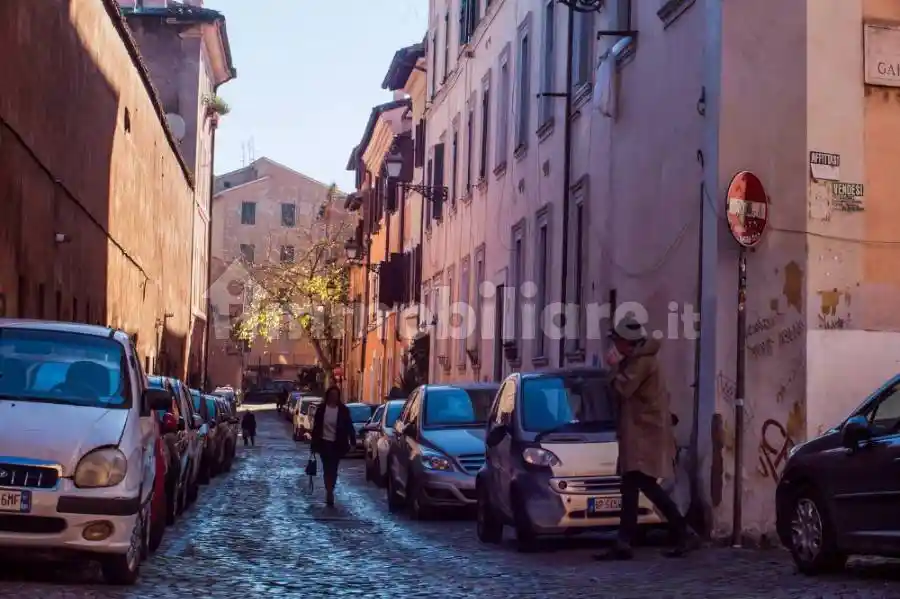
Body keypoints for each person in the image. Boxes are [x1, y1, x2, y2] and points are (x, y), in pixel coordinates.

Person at [594, 315, 700, 561]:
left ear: (626, 342)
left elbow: (623, 389)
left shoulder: (641, 363)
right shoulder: (638, 360)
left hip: (644, 434)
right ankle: (626, 541)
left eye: (616, 341)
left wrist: (612, 368)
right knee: (633, 486)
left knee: (643, 484)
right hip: (639, 432)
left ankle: (682, 531)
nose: (614, 346)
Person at [309, 386, 356, 507]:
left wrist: (353, 442)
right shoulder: (321, 409)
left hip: (337, 443)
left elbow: (349, 426)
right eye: (332, 395)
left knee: (334, 469)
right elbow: (316, 427)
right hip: (324, 442)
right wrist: (313, 444)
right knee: (326, 468)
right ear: (328, 396)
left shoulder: (343, 410)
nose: (334, 397)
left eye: (336, 395)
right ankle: (329, 491)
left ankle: (331, 489)